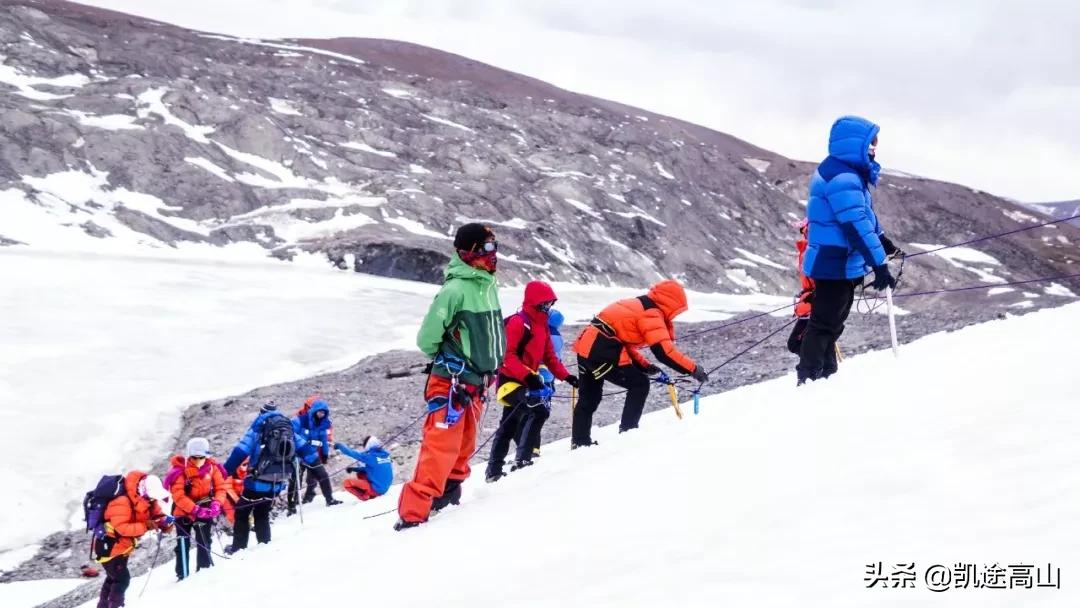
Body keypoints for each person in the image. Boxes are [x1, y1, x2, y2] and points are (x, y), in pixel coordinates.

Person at [395, 223, 506, 531]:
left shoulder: (487, 286)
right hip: (453, 382)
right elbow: (427, 339)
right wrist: (451, 358)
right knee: (440, 446)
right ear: (467, 251)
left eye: (495, 247)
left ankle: (448, 494)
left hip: (476, 384)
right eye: (485, 248)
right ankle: (413, 514)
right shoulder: (455, 290)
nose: (493, 254)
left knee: (465, 443)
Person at [797, 116, 903, 384]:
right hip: (834, 263)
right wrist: (879, 265)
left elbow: (864, 216)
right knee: (824, 325)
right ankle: (808, 378)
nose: (874, 148)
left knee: (831, 324)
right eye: (871, 142)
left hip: (839, 262)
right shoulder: (841, 177)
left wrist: (884, 243)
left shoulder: (845, 173)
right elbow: (854, 225)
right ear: (856, 144)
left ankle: (825, 376)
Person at [571, 279, 707, 447]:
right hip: (601, 350)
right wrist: (693, 369)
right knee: (639, 384)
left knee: (589, 398)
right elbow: (664, 352)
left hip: (586, 347)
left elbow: (620, 339)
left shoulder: (639, 304)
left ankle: (579, 441)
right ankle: (628, 433)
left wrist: (644, 365)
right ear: (671, 303)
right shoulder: (651, 313)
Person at [485, 281, 576, 482]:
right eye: (545, 303)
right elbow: (506, 356)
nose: (547, 307)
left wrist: (566, 376)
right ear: (534, 301)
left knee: (509, 424)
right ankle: (522, 460)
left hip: (527, 380)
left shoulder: (541, 326)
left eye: (549, 304)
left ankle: (493, 471)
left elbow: (550, 356)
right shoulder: (518, 322)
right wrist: (528, 376)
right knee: (538, 409)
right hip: (510, 380)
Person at [223, 401, 318, 551]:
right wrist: (317, 466)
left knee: (242, 512)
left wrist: (223, 474)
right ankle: (264, 546)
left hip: (256, 481)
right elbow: (309, 453)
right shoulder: (287, 428)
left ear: (261, 412)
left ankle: (238, 549)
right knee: (262, 512)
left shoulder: (258, 427)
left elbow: (240, 452)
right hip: (278, 482)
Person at [95, 472, 174, 608]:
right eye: (151, 496)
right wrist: (146, 525)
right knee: (122, 579)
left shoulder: (147, 500)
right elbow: (122, 529)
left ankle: (104, 606)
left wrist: (163, 523)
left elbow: (156, 514)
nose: (152, 499)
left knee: (112, 578)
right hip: (110, 546)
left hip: (121, 546)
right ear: (143, 490)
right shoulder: (122, 502)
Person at [165, 437, 227, 580]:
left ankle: (204, 572)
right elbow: (178, 496)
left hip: (205, 509)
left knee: (205, 541)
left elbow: (221, 488)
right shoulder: (179, 471)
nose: (198, 460)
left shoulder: (213, 468)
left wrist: (217, 503)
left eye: (201, 457)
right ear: (189, 456)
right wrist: (195, 510)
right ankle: (182, 575)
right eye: (195, 457)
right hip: (183, 512)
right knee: (182, 543)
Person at [289, 397, 342, 508]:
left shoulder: (323, 424)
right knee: (295, 480)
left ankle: (329, 499)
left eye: (324, 412)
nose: (321, 414)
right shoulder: (299, 420)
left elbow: (324, 440)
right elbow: (290, 434)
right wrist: (302, 444)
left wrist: (325, 454)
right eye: (320, 412)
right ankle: (291, 505)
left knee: (323, 475)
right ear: (314, 410)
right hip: (298, 455)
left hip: (312, 454)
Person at [530, 308, 567, 459]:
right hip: (549, 381)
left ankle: (530, 448)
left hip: (537, 379)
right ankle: (534, 448)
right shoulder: (558, 337)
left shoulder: (543, 333)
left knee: (530, 415)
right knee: (538, 414)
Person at [335, 435, 394, 501]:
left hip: (377, 490)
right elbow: (374, 469)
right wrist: (354, 469)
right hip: (384, 487)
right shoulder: (385, 455)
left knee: (347, 483)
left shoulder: (371, 457)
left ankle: (365, 497)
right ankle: (369, 492)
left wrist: (340, 446)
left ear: (368, 445)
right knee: (360, 473)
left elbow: (353, 453)